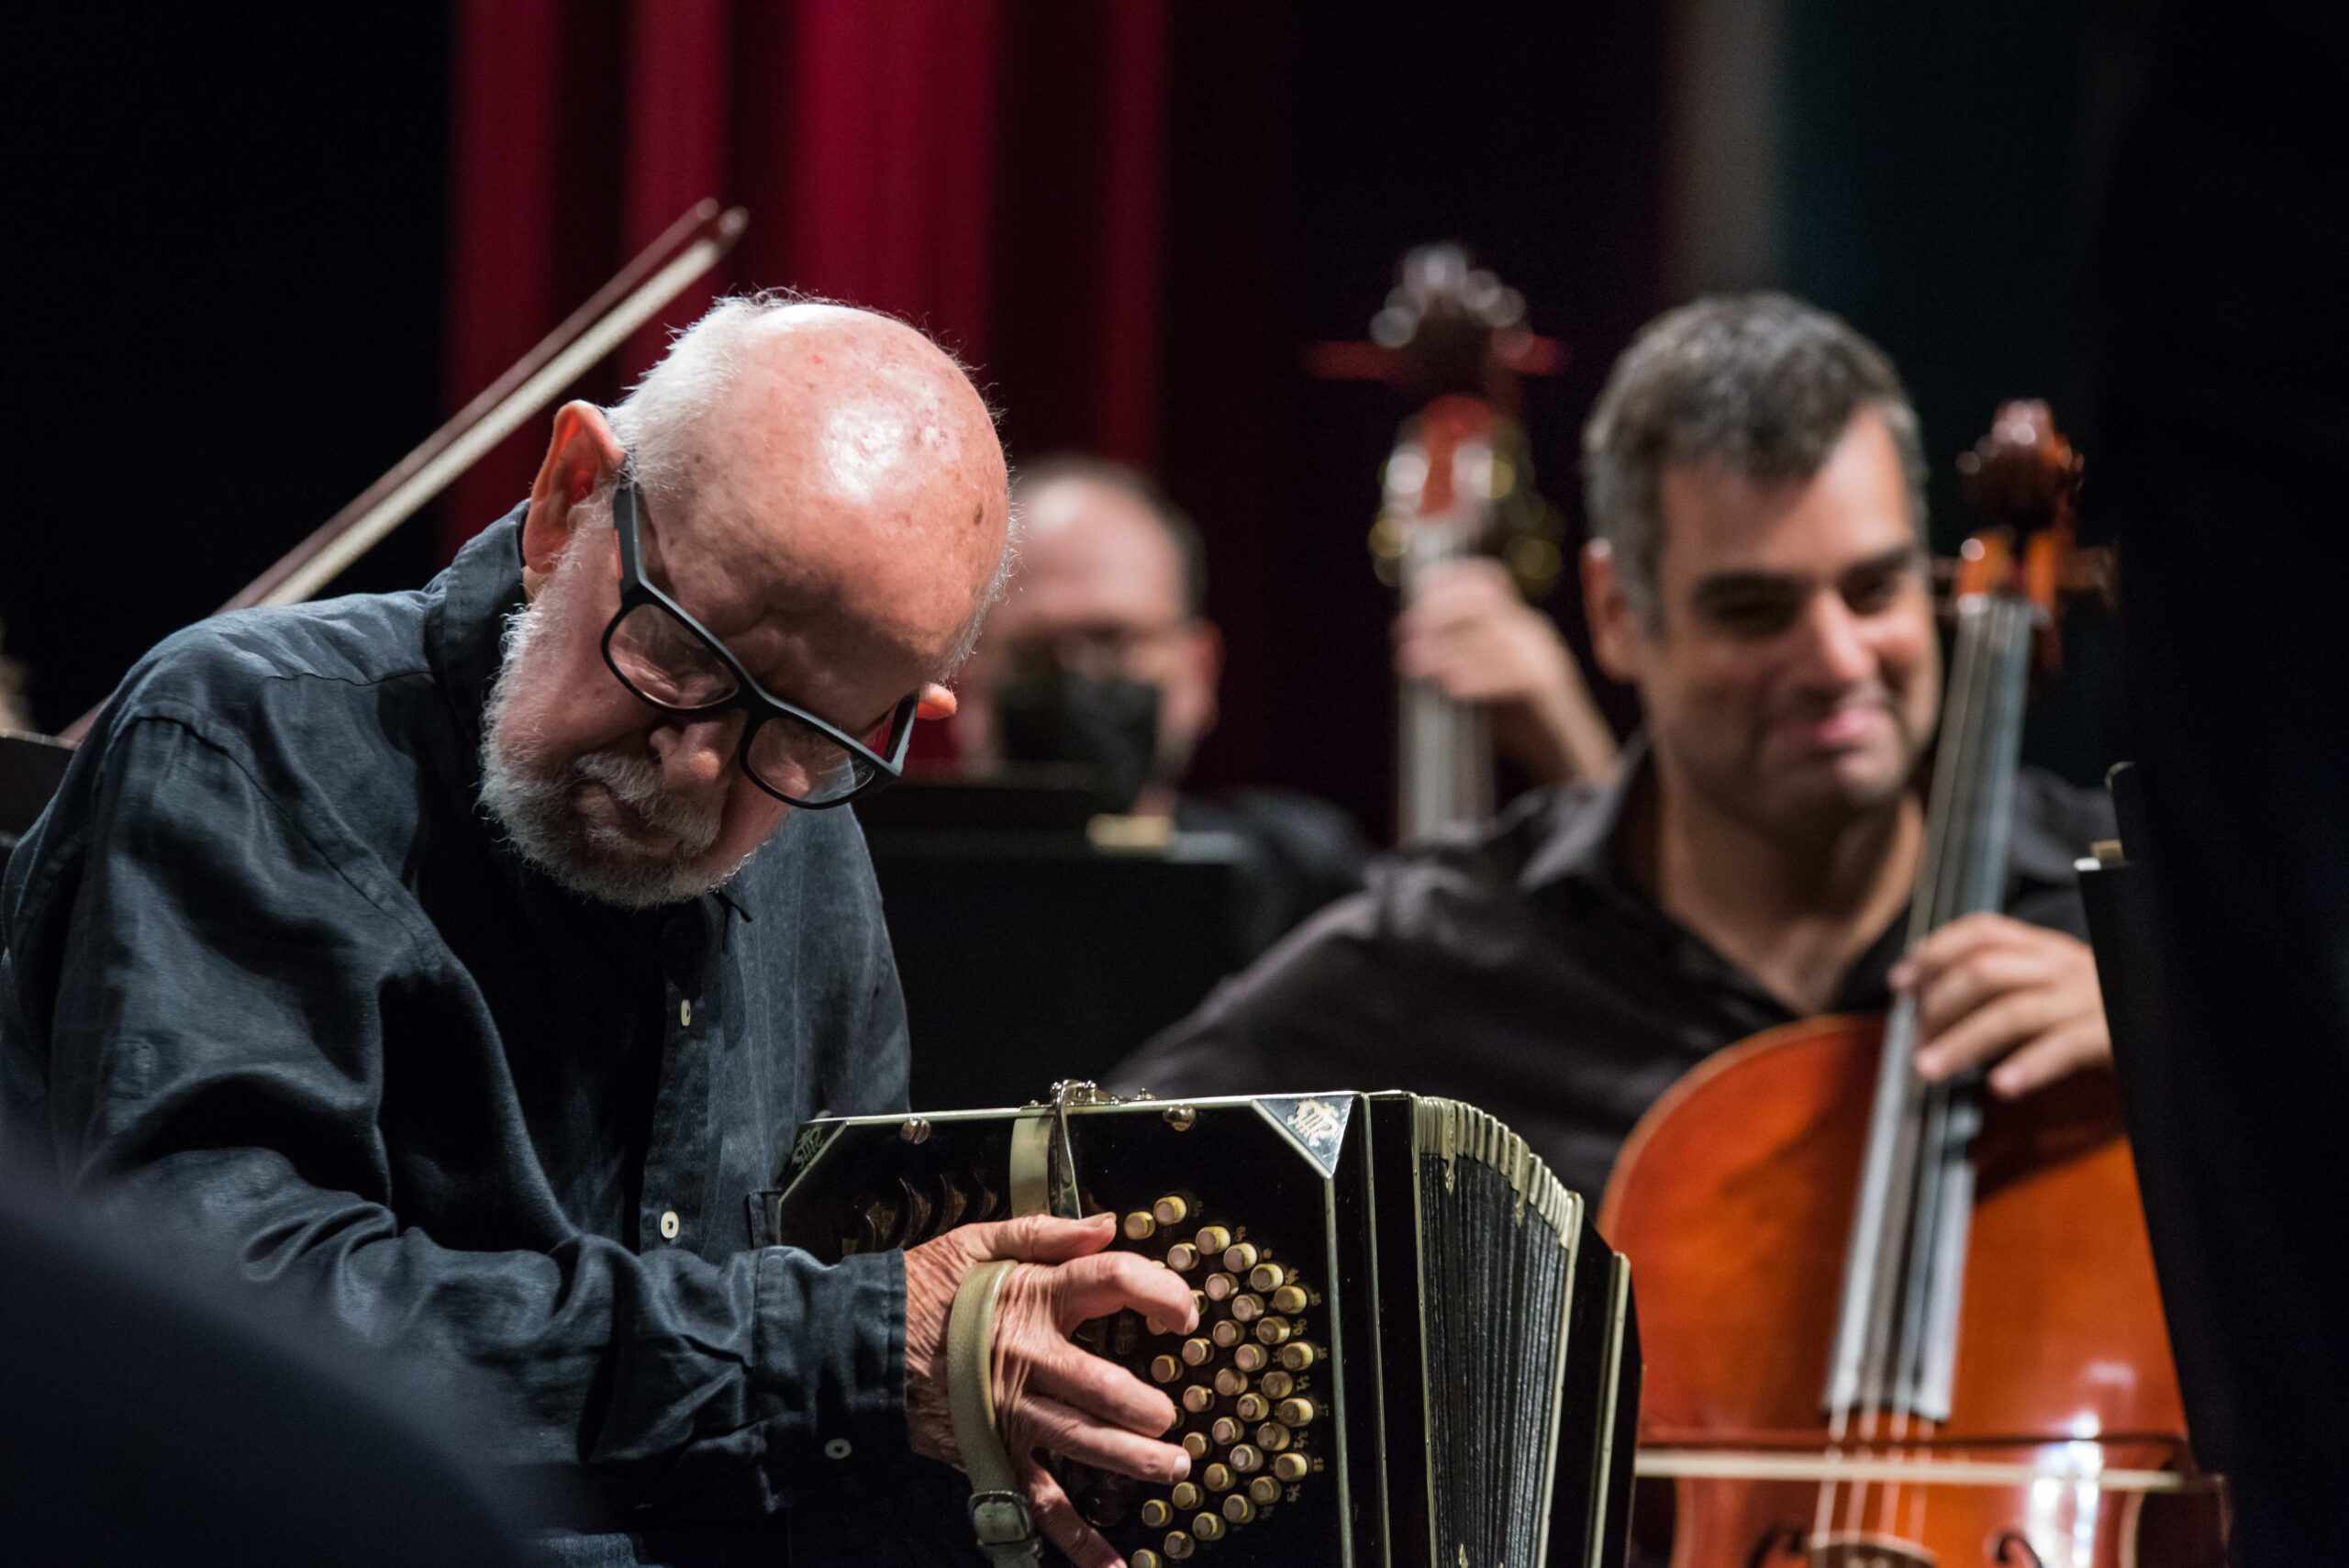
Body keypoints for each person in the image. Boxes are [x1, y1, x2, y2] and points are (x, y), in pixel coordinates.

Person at [1, 298, 1197, 1568]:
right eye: (681, 658)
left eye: (797, 734)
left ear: (907, 717)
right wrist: (838, 1348)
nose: (692, 775)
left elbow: (814, 1394)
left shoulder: (813, 835)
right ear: (573, 499)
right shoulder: (247, 737)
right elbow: (228, 1318)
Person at [1115, 294, 2118, 1201]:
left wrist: (2191, 1047)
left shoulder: (2117, 914)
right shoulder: (1451, 947)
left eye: (1873, 590)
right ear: (1616, 612)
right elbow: (1092, 1162)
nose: (1835, 657)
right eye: (1752, 609)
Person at [952, 454, 1372, 953]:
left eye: (1114, 641)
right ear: (966, 680)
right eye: (1034, 652)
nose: (1077, 675)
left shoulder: (1299, 883)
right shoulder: (898, 894)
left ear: (1198, 671)